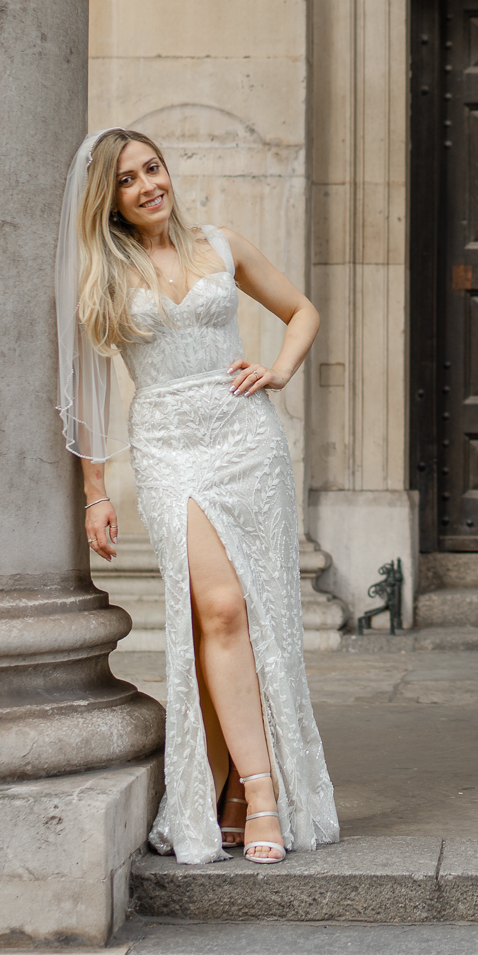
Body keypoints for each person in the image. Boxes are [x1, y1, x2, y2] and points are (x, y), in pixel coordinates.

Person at [56, 127, 339, 865]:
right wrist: (95, 492)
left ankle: (241, 796)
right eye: (128, 180)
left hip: (246, 439)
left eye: (154, 169)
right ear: (108, 200)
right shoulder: (101, 275)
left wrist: (278, 370)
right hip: (169, 446)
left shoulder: (224, 242)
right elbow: (87, 397)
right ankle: (261, 784)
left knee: (253, 612)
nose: (149, 185)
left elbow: (302, 311)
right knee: (217, 608)